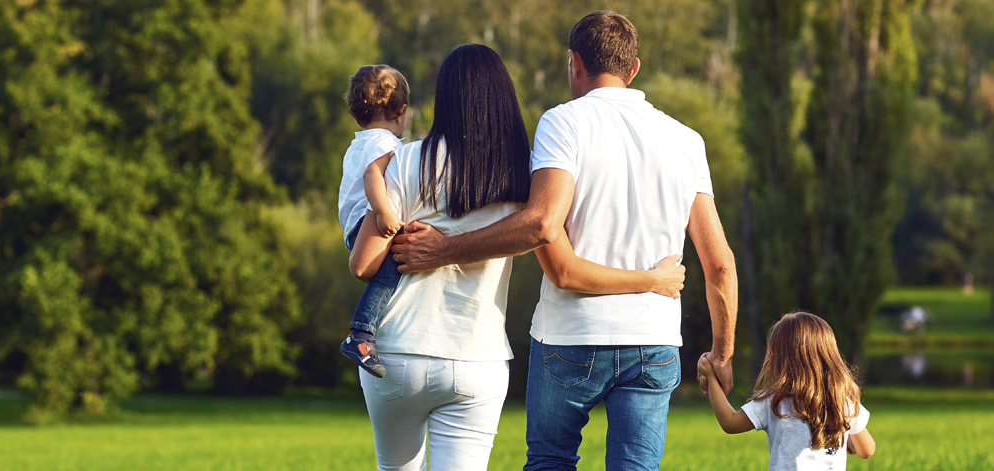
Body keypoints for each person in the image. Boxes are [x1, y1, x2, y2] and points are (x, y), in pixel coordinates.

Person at [388, 11, 738, 471]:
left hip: (570, 337)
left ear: (573, 62)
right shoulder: (686, 140)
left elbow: (541, 227)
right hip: (652, 341)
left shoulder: (564, 123)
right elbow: (719, 266)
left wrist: (445, 249)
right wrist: (722, 353)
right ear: (633, 70)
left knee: (551, 461)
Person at [697, 312, 876, 470]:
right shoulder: (842, 402)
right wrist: (847, 441)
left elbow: (730, 423)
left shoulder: (774, 401)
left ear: (778, 358)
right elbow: (867, 450)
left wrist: (712, 380)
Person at [336, 64, 410, 378]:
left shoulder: (360, 142)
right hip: (369, 224)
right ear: (401, 111)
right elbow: (373, 176)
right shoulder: (386, 143)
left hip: (353, 227)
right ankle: (361, 333)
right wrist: (383, 212)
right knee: (395, 267)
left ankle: (369, 331)